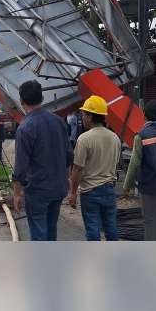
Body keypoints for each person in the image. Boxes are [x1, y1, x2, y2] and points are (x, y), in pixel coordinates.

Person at [12, 80, 72, 241]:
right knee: (51, 231)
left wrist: (17, 193)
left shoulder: (25, 127)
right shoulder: (59, 122)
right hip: (58, 188)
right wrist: (67, 179)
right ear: (42, 98)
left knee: (39, 234)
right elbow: (67, 156)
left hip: (37, 191)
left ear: (22, 101)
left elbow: (20, 166)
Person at [67, 95, 122, 241]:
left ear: (90, 117)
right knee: (111, 228)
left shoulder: (84, 139)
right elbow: (116, 164)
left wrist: (72, 192)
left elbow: (77, 169)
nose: (82, 117)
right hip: (109, 189)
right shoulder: (115, 138)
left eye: (84, 114)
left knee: (92, 229)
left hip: (90, 192)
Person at [122, 99, 156, 240]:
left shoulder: (141, 135)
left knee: (150, 221)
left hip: (149, 185)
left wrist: (126, 186)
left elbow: (134, 164)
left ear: (144, 114)